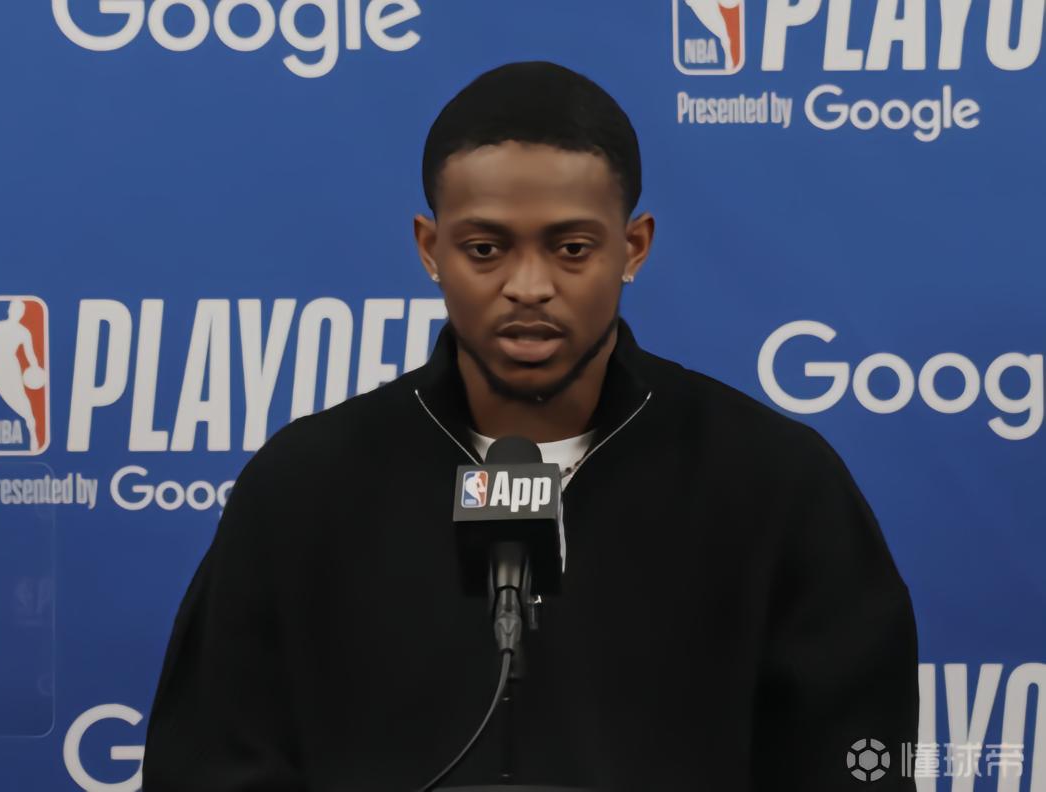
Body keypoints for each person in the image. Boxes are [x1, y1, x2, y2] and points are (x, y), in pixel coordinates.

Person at [143, 61, 918, 791]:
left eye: (571, 248)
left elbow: (856, 761)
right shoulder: (306, 485)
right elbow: (210, 763)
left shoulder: (772, 480)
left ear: (633, 247)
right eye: (485, 249)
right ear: (430, 249)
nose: (529, 286)